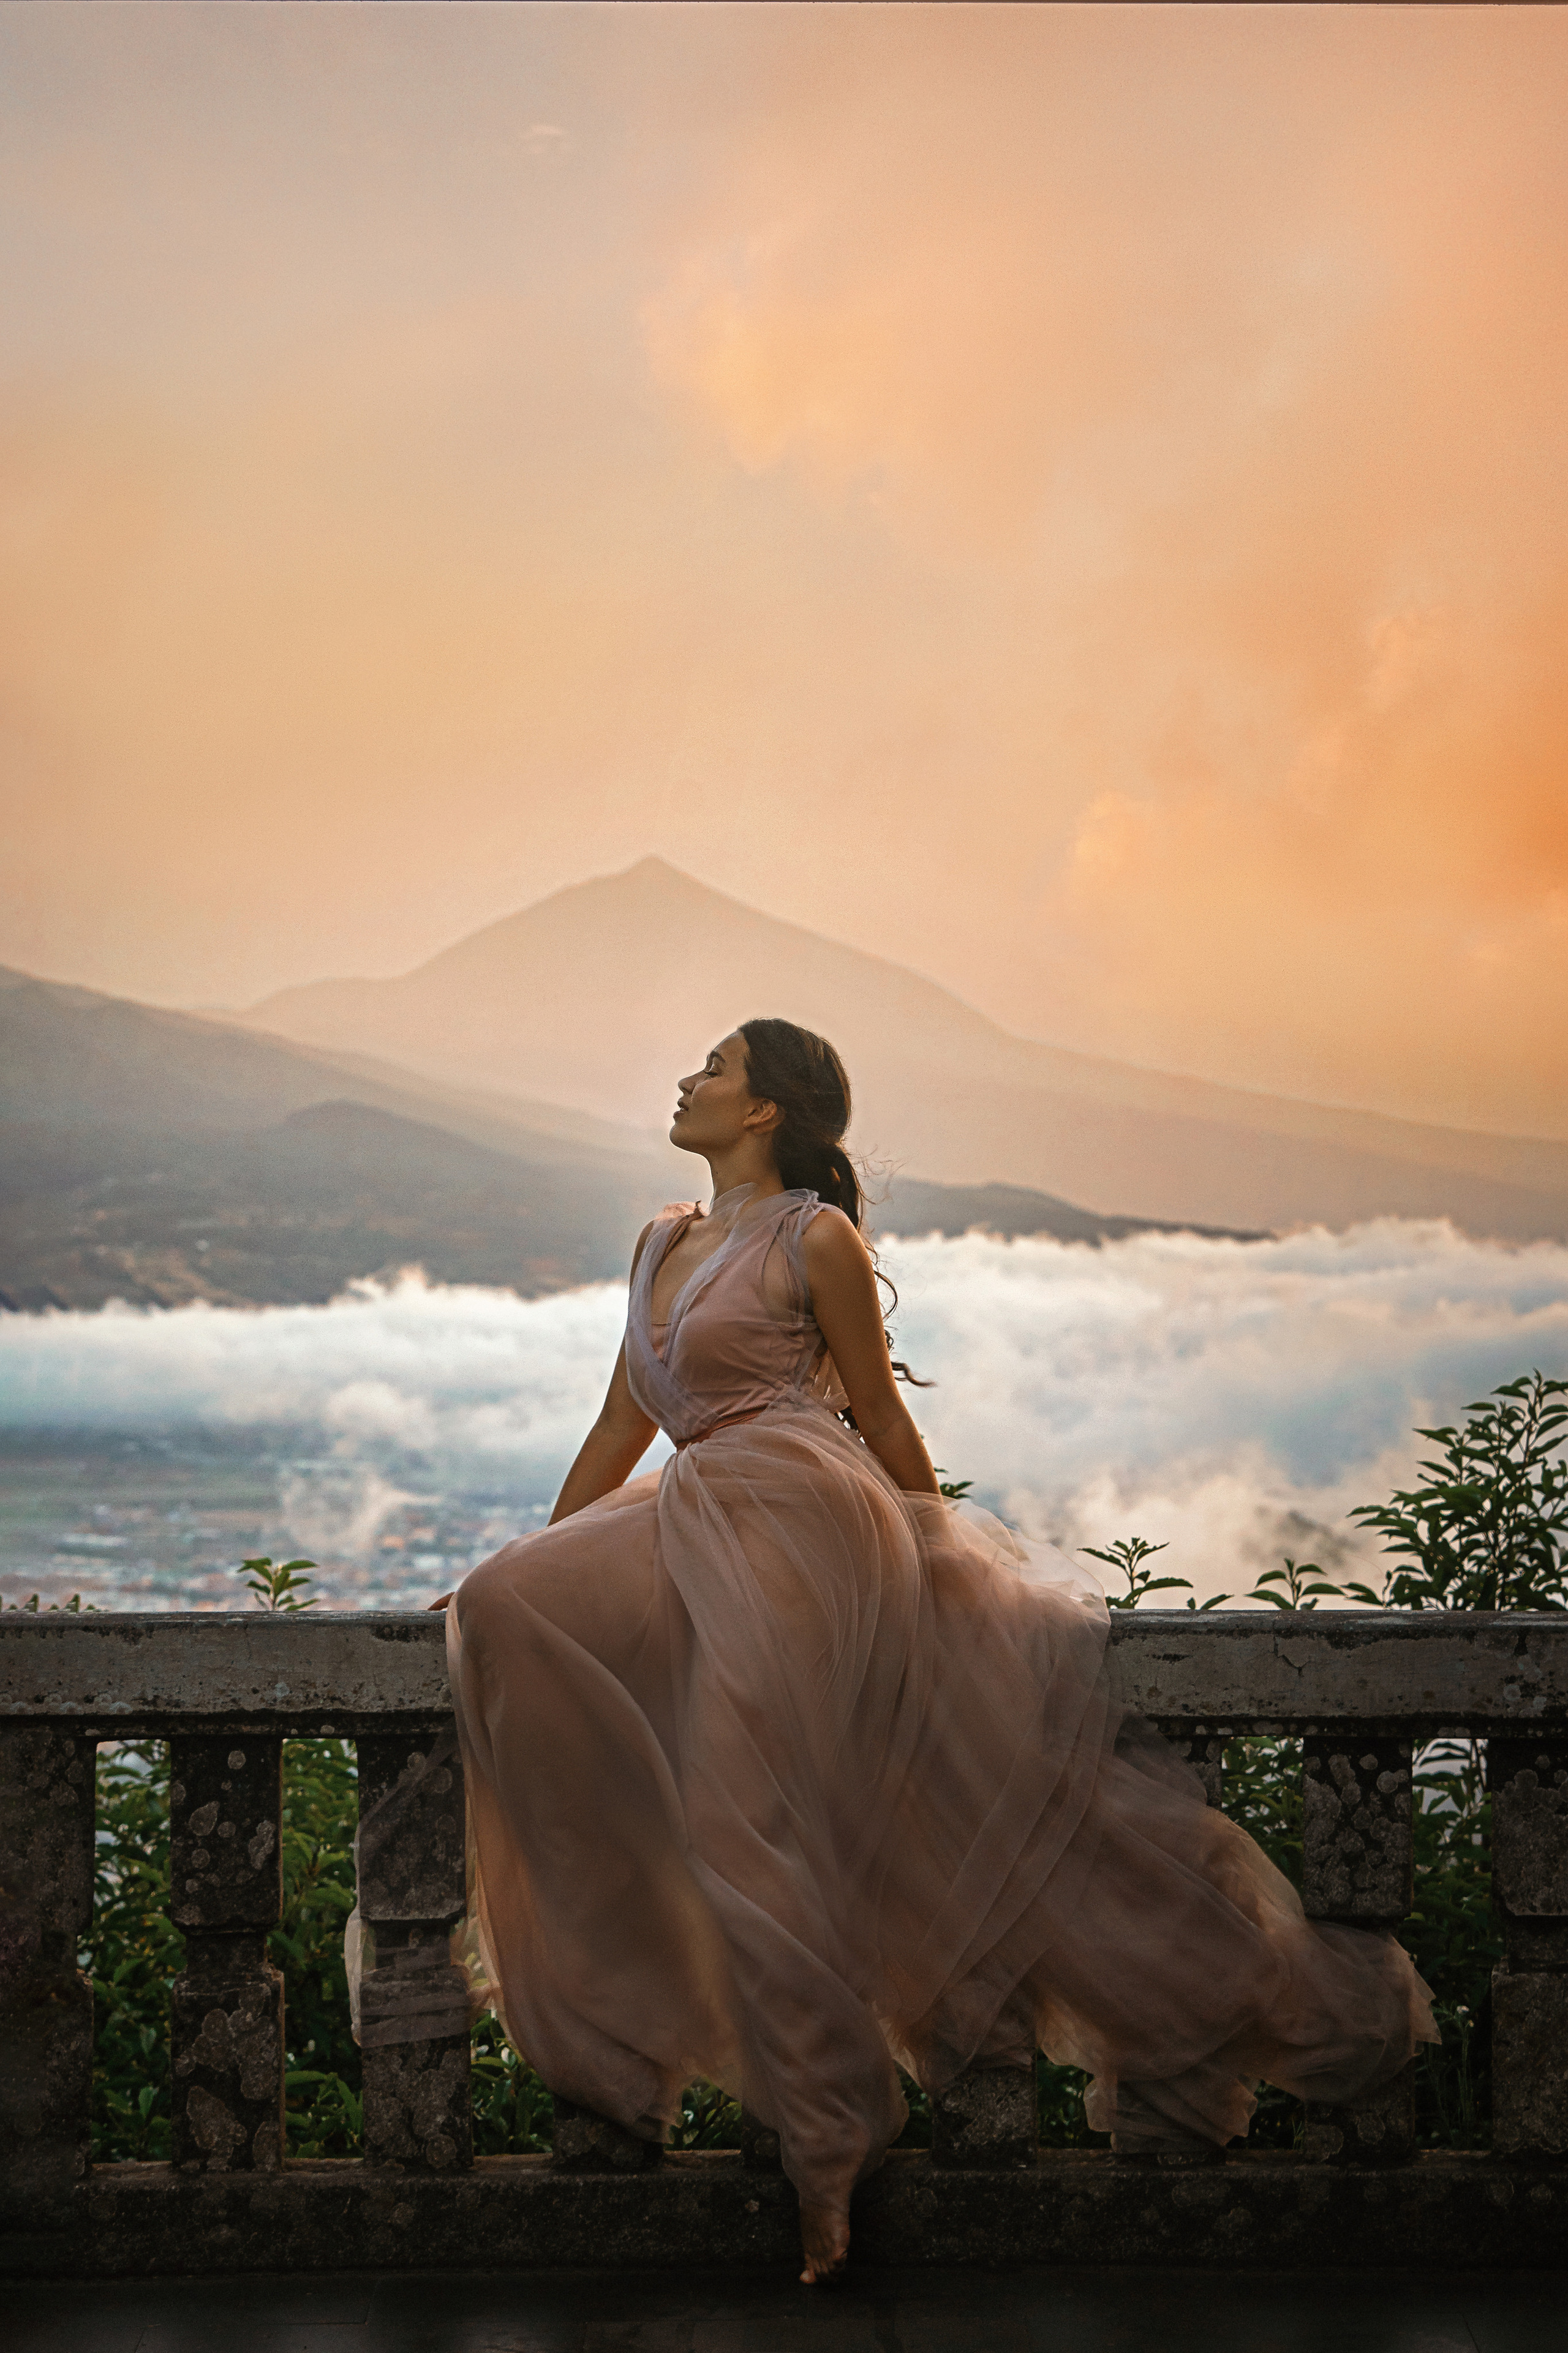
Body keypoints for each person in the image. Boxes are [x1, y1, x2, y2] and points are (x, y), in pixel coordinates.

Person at [432, 1017, 1434, 2284]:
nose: (686, 1079)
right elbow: (622, 1418)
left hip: (804, 1530)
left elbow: (882, 1417)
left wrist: (945, 1552)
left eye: (715, 1067)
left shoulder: (816, 1238)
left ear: (765, 1112)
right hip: (694, 1518)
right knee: (506, 1603)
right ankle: (672, 2062)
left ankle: (829, 2157)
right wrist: (530, 1563)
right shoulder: (658, 1241)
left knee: (752, 1827)